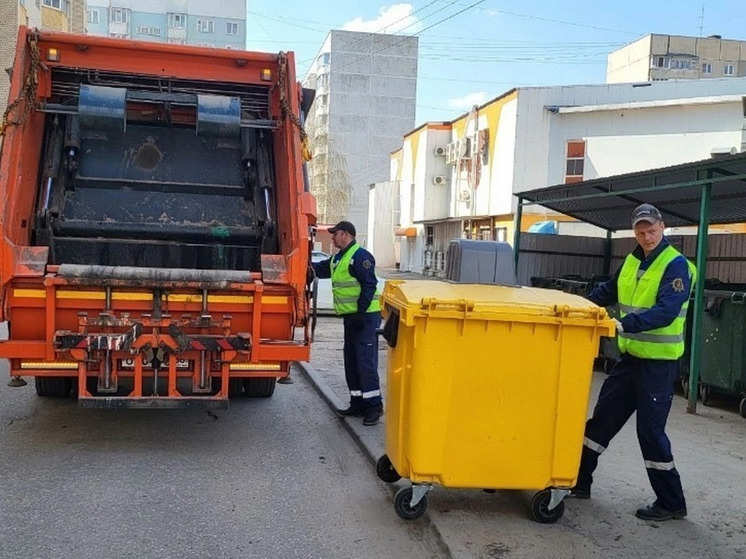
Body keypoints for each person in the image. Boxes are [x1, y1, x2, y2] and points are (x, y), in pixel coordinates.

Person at [569, 204, 696, 522]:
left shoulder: (677, 266)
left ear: (662, 227)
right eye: (640, 231)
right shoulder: (631, 261)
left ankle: (672, 503)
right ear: (634, 232)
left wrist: (623, 325)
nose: (646, 236)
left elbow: (667, 311)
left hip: (659, 366)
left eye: (651, 230)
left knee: (650, 433)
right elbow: (606, 292)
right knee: (600, 423)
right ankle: (578, 483)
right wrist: (574, 306)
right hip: (630, 361)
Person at [312, 221, 383, 426]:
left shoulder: (360, 256)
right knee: (352, 361)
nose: (332, 238)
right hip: (351, 318)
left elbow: (369, 285)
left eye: (335, 234)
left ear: (345, 234)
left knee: (365, 362)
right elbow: (320, 269)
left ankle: (374, 407)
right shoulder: (338, 259)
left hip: (365, 318)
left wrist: (361, 312)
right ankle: (358, 402)